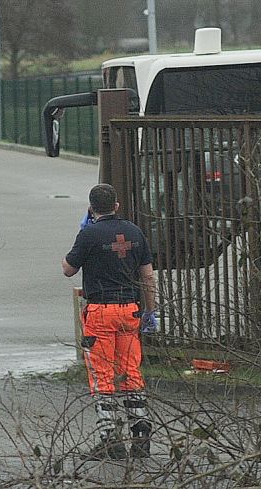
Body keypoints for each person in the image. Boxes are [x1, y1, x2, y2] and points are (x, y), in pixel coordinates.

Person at [62, 183, 158, 460]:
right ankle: (141, 437)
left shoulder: (88, 234)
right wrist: (150, 311)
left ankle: (110, 440)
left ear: (91, 208)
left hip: (101, 312)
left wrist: (84, 233)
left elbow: (68, 270)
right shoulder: (134, 232)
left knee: (102, 376)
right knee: (131, 371)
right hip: (130, 311)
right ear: (117, 205)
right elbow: (148, 277)